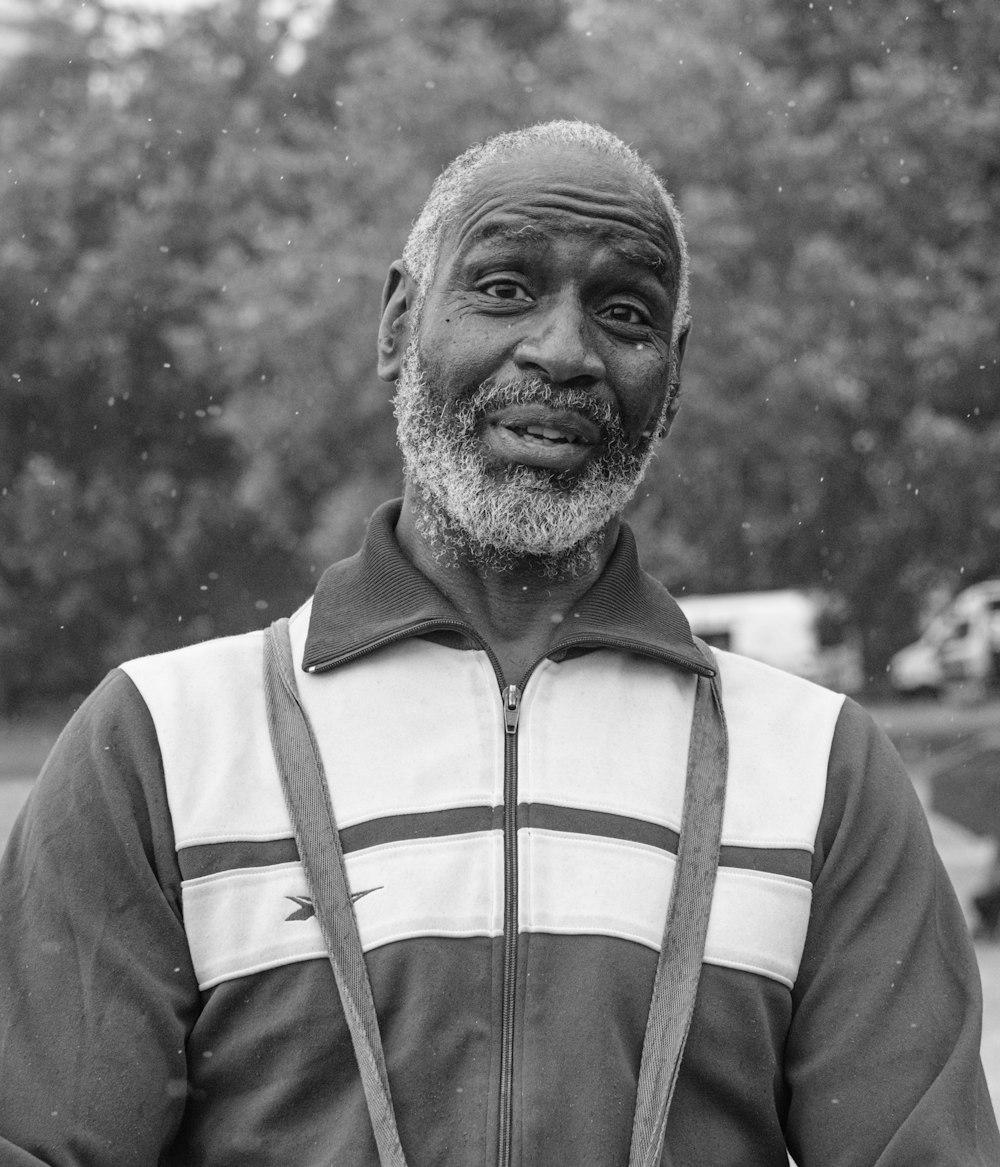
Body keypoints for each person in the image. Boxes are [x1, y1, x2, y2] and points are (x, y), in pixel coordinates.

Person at [0, 120, 996, 1166]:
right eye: (506, 289)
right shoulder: (160, 743)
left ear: (673, 376)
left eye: (623, 313)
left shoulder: (819, 771)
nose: (563, 353)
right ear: (397, 324)